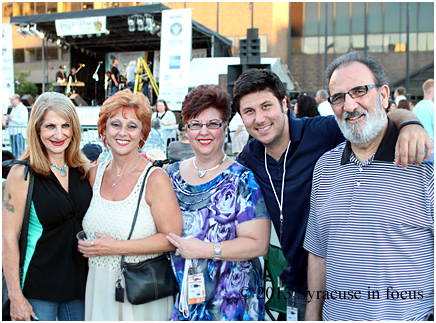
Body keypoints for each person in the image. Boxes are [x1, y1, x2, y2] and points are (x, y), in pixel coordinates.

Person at [232, 67, 433, 320]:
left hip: (342, 291)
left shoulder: (321, 132)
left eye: (266, 106)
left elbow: (373, 117)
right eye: (249, 111)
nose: (259, 118)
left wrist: (410, 123)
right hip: (292, 284)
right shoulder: (250, 156)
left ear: (284, 103)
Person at [304, 51, 434, 321]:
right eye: (338, 97)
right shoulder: (325, 167)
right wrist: (312, 316)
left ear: (384, 95)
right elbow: (318, 254)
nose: (349, 106)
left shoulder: (426, 166)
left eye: (359, 91)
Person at [165, 84, 271, 321]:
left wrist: (206, 250)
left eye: (213, 124)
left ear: (225, 127)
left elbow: (258, 244)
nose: (204, 132)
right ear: (186, 129)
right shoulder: (169, 176)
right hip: (183, 301)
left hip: (231, 304)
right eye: (195, 124)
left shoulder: (243, 179)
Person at [77, 89, 183, 321]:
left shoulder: (155, 179)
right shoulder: (94, 174)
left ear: (142, 133)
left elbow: (172, 238)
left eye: (132, 126)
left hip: (140, 293)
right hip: (98, 287)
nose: (123, 133)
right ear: (104, 130)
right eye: (115, 124)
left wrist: (116, 247)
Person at [2, 92, 92, 321]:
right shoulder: (22, 173)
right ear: (37, 130)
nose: (59, 134)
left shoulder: (83, 169)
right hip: (38, 288)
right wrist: (15, 296)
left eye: (65, 125)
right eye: (50, 126)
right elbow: (7, 237)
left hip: (80, 286)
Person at [7, 94, 29, 158]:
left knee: (20, 151)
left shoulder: (22, 108)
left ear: (17, 99)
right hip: (13, 132)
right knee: (14, 151)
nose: (11, 101)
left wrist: (12, 118)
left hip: (19, 132)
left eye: (12, 100)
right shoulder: (14, 108)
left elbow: (23, 120)